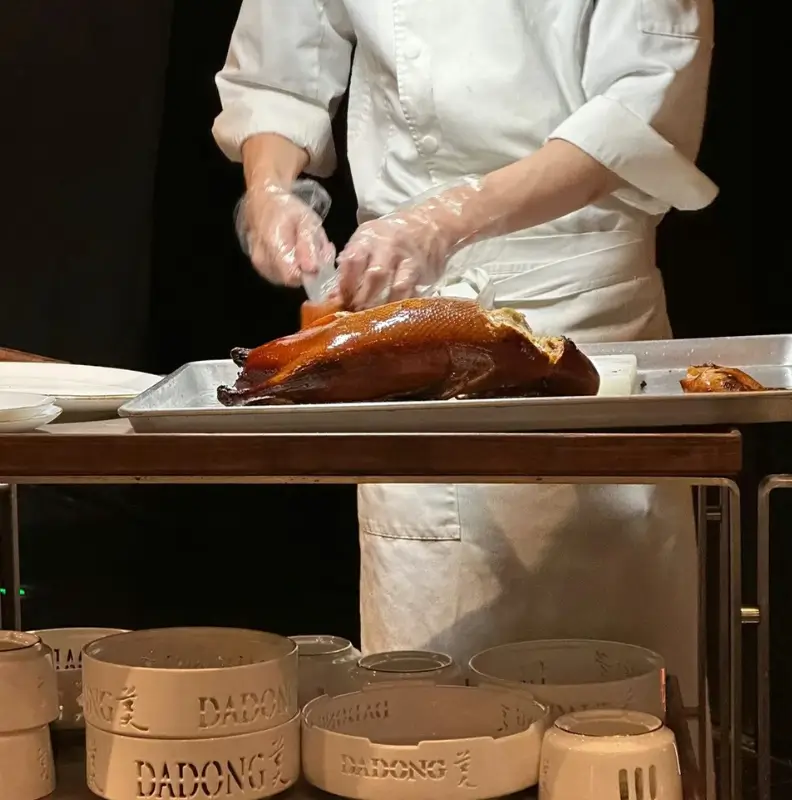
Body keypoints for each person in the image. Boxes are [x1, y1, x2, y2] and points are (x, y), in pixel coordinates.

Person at [213, 0, 716, 718]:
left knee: (613, 705)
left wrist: (449, 218)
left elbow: (644, 102)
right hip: (405, 314)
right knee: (430, 715)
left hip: (580, 301)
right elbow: (276, 72)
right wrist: (269, 192)